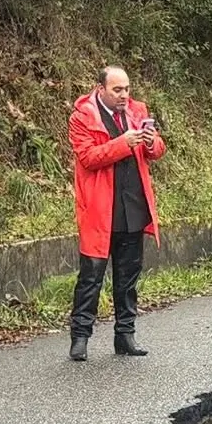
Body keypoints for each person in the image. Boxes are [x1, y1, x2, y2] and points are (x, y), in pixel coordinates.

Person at [67, 65, 167, 361]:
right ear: (101, 89)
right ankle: (80, 338)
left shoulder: (137, 111)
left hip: (133, 205)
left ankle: (126, 334)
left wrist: (150, 142)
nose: (124, 95)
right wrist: (123, 144)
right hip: (100, 210)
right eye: (117, 90)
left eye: (127, 89)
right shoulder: (82, 116)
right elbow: (87, 157)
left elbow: (158, 149)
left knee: (128, 277)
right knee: (91, 278)